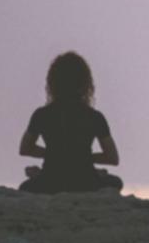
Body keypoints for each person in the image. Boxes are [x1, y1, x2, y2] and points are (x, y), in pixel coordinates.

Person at [18, 52, 123, 193]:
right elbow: (112, 157)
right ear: (85, 83)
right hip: (86, 181)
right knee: (115, 182)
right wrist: (81, 158)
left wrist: (56, 156)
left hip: (51, 179)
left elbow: (25, 149)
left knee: (25, 187)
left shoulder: (42, 115)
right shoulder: (94, 117)